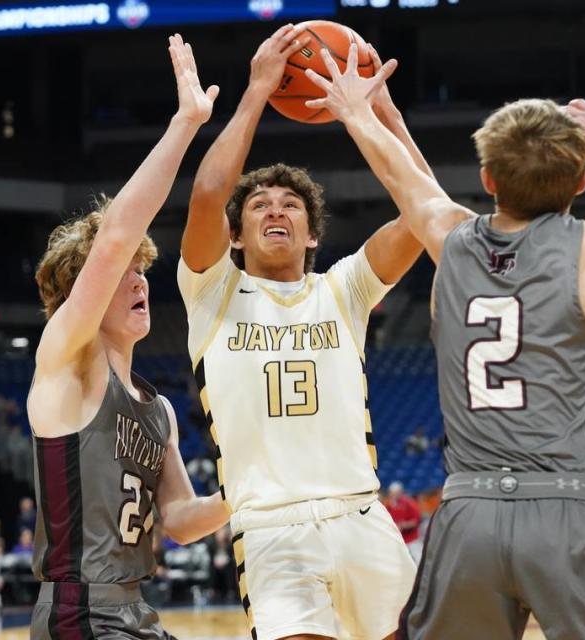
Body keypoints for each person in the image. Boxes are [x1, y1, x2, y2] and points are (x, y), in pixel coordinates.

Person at [307, 43, 585, 639]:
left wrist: (361, 114)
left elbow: (409, 185)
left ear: (486, 179)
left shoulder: (448, 236)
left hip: (468, 517)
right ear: (582, 180)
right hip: (569, 512)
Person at [179, 26, 426, 640]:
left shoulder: (344, 290)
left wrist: (381, 113)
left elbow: (425, 211)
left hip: (361, 514)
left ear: (313, 234)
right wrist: (260, 89)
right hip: (271, 526)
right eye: (258, 205)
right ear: (235, 237)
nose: (274, 210)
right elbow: (210, 195)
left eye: (290, 204)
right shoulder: (211, 292)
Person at [27, 34, 228, 639]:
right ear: (79, 293)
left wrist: (259, 485)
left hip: (134, 610)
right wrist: (186, 124)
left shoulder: (158, 407)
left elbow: (183, 520)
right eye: (123, 274)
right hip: (79, 611)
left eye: (144, 271)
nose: (139, 281)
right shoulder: (66, 360)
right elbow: (114, 235)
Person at [384, 482, 423, 564]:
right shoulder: (388, 504)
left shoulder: (409, 503)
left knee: (418, 559)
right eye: (391, 493)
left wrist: (404, 525)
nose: (393, 495)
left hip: (411, 539)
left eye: (395, 493)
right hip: (397, 539)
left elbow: (416, 520)